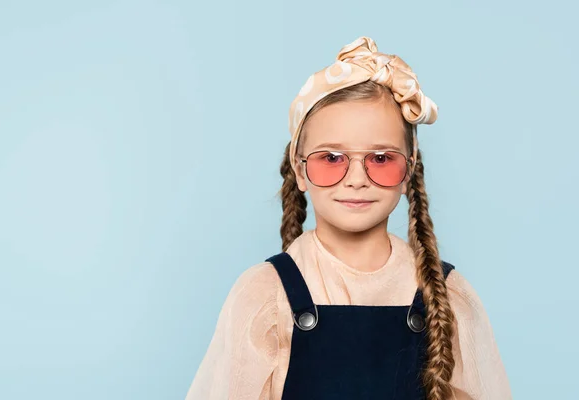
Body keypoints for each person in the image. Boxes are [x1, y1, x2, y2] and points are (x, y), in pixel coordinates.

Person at [185, 36, 512, 400]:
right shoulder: (264, 294)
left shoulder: (448, 296)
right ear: (300, 169)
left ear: (409, 171)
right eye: (332, 158)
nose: (356, 179)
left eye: (381, 158)